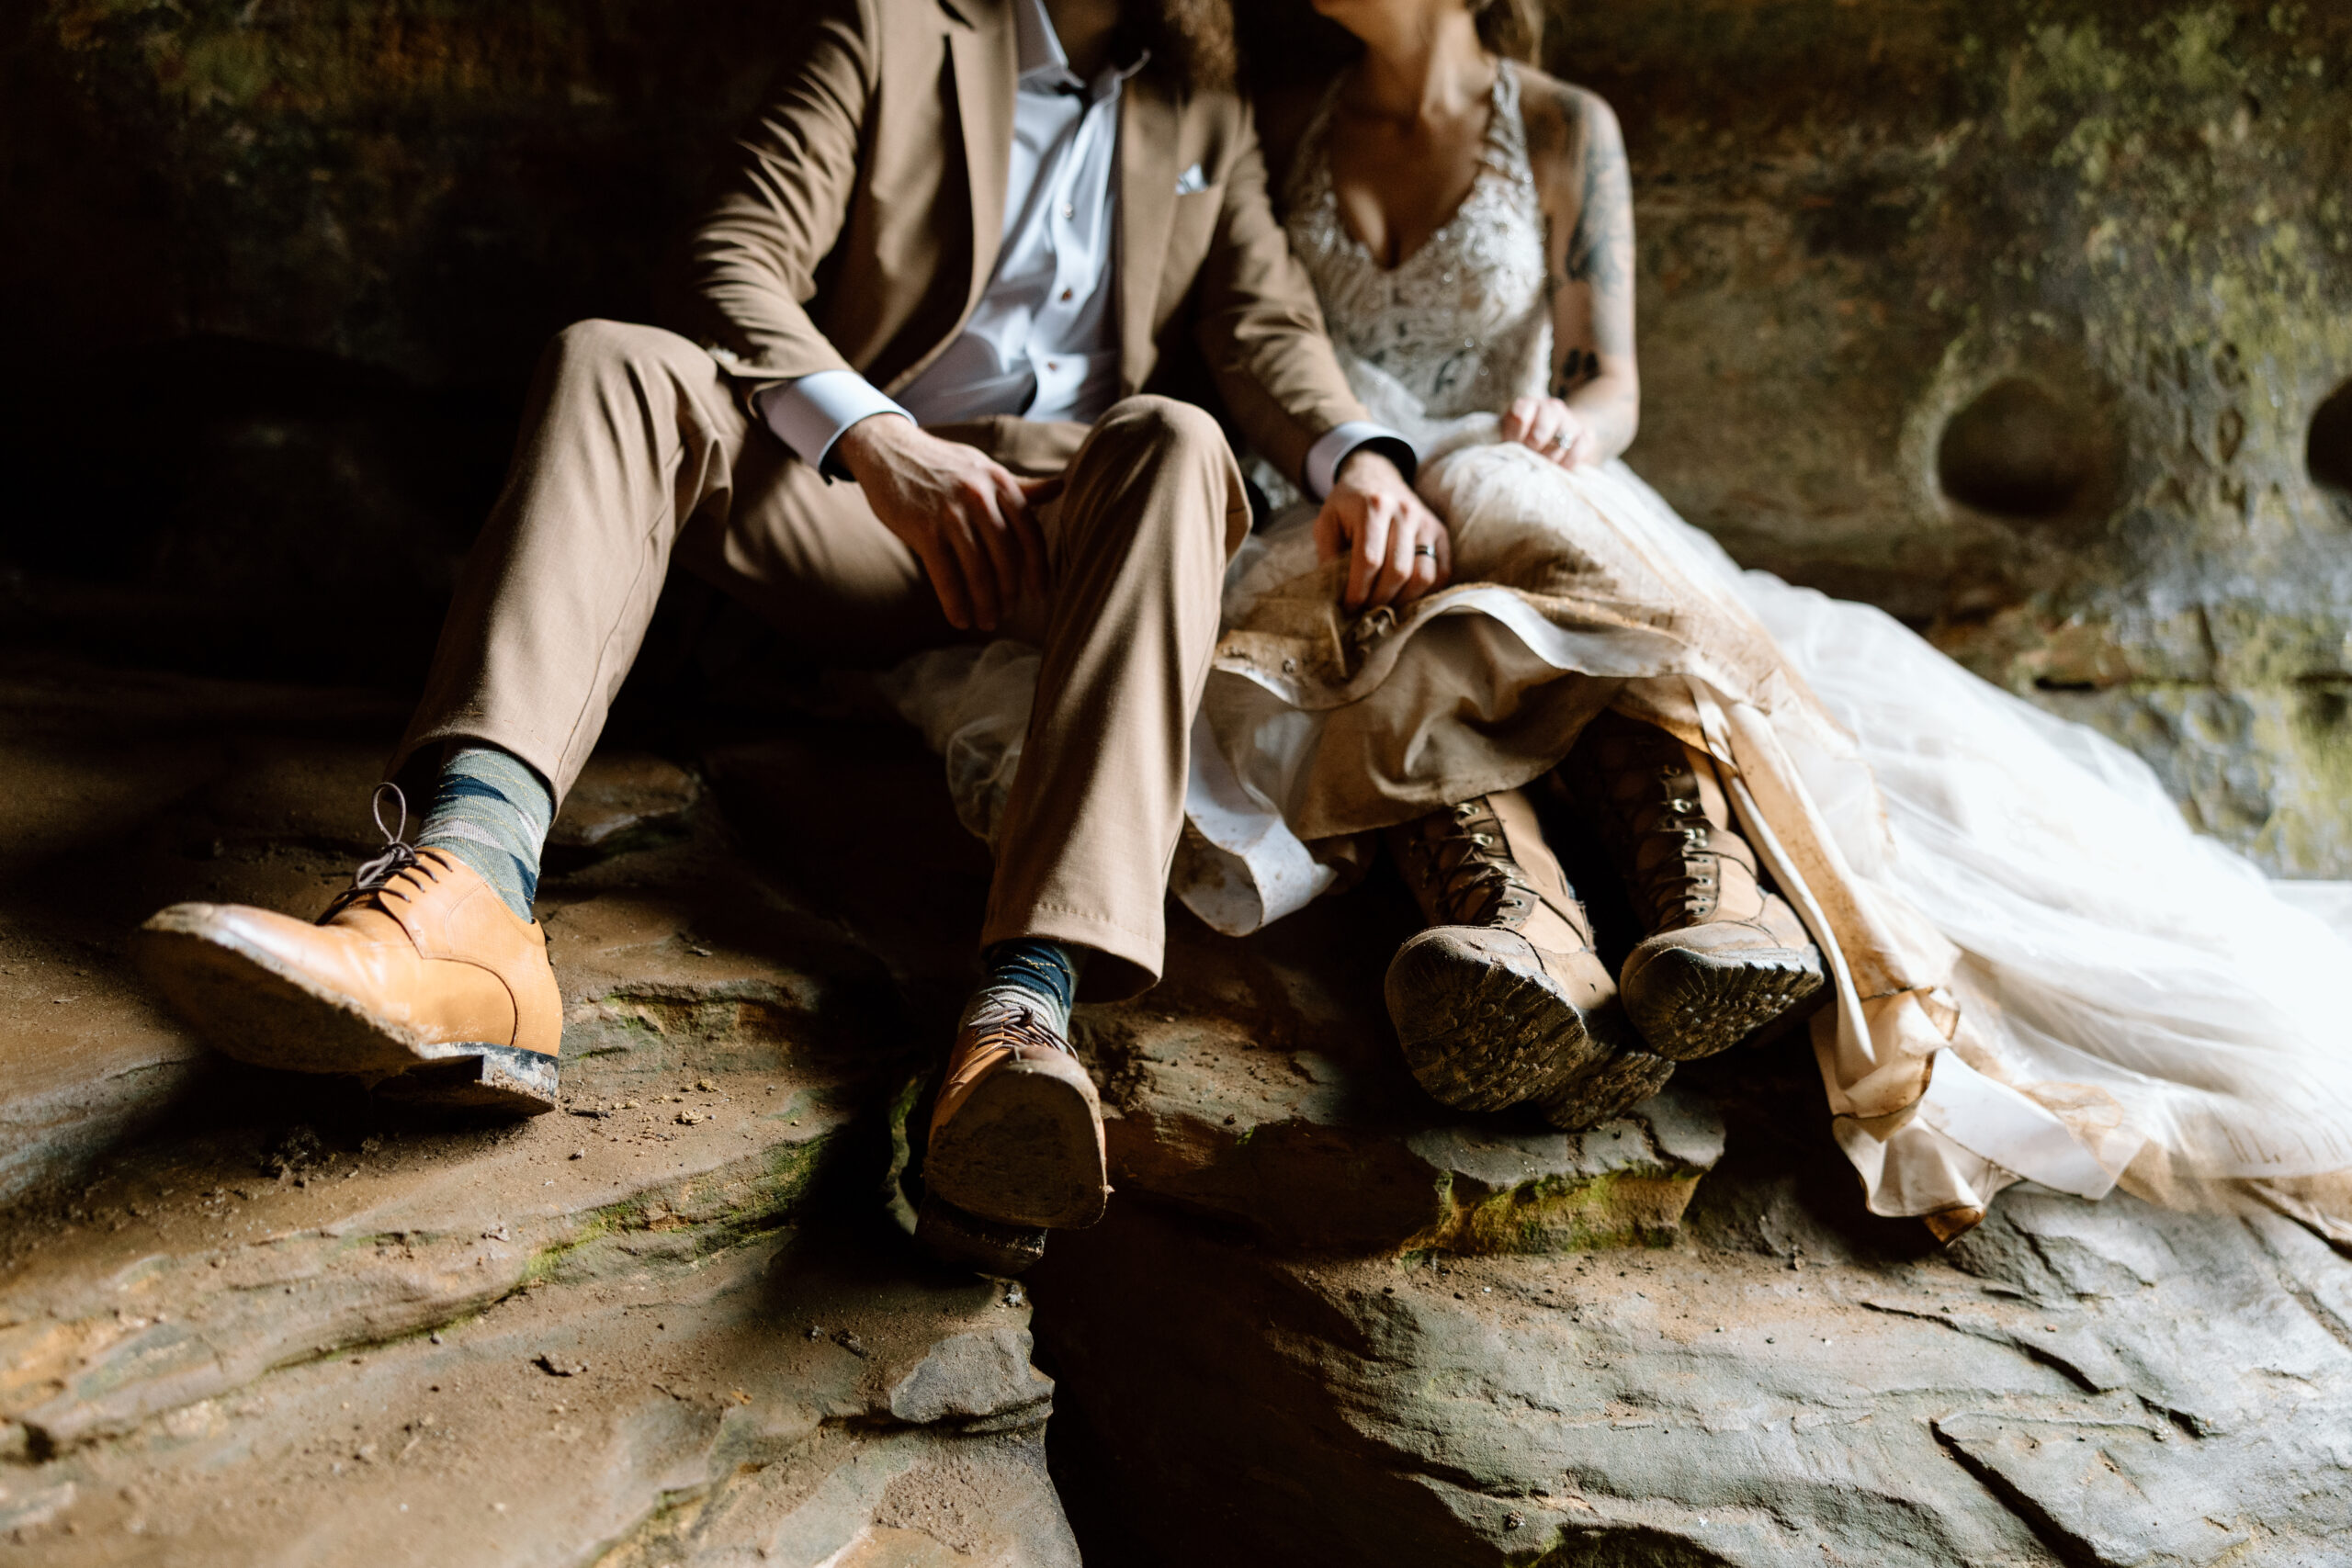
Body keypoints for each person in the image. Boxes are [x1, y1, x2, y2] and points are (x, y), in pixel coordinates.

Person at [899, 0, 2352, 1246]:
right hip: (1348, 502)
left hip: (1533, 474)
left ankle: (1702, 897)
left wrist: (1561, 419)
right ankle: (1528, 928)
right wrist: (1353, 462)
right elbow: (1254, 333)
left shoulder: (1562, 126)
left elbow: (1612, 381)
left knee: (1504, 503)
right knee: (1384, 587)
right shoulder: (1271, 118)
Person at [130, 0, 1454, 1274]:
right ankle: (468, 892)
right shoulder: (894, 24)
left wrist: (1365, 463)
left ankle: (1020, 1024)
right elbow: (734, 257)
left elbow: (1264, 325)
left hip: (1076, 527)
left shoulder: (1204, 97)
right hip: (859, 496)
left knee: (1177, 437)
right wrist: (878, 442)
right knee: (617, 359)